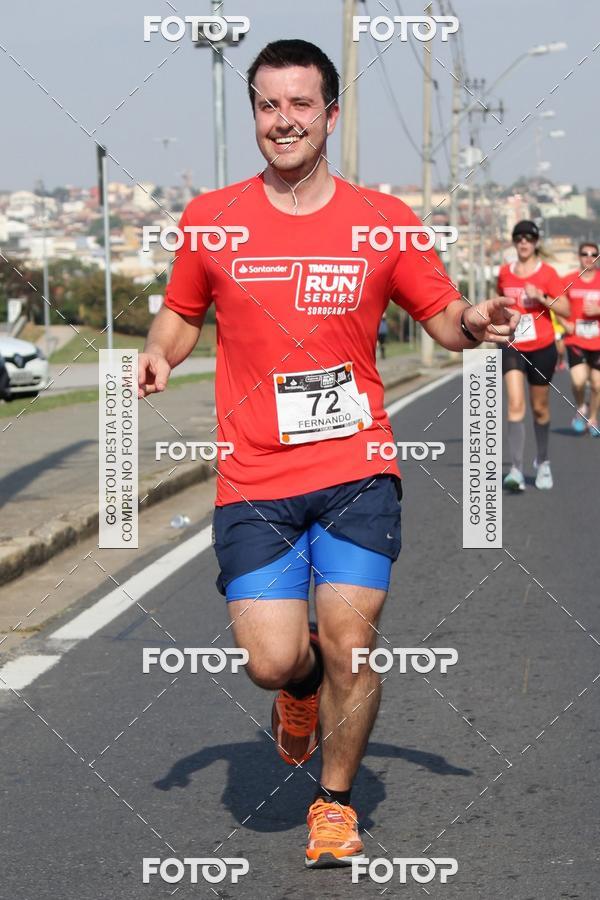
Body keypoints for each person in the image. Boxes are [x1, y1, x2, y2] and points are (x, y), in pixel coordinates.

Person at [138, 39, 519, 868]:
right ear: (255, 116)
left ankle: (335, 803)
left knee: (352, 644)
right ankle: (301, 693)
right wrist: (159, 351)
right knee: (275, 661)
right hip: (253, 475)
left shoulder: (383, 220)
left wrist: (476, 326)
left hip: (357, 467)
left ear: (330, 115)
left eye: (301, 104)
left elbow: (443, 314)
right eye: (269, 105)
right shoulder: (214, 219)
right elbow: (181, 311)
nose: (284, 120)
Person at [497, 221, 570, 492]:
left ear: (536, 242)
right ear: (514, 242)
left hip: (542, 347)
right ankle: (516, 468)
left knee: (540, 408)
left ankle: (543, 461)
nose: (524, 243)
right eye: (519, 238)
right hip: (513, 345)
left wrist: (540, 295)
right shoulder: (505, 273)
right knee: (515, 404)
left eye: (529, 238)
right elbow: (499, 301)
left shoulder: (548, 273)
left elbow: (565, 308)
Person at [560, 241, 600, 436]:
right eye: (585, 254)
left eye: (594, 254)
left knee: (597, 384)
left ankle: (592, 418)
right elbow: (555, 304)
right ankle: (581, 407)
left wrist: (598, 310)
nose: (589, 257)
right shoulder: (568, 280)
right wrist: (563, 322)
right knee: (578, 381)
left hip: (598, 341)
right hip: (575, 339)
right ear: (579, 256)